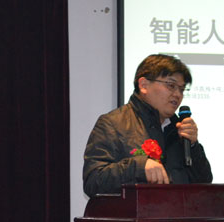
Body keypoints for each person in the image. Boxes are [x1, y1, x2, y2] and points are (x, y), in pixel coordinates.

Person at [83, 54, 213, 197]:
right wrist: (138, 167)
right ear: (144, 85)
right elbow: (93, 182)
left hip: (177, 211)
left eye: (182, 89)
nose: (178, 94)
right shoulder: (112, 124)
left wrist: (193, 147)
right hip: (134, 211)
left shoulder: (179, 130)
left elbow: (204, 184)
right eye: (171, 85)